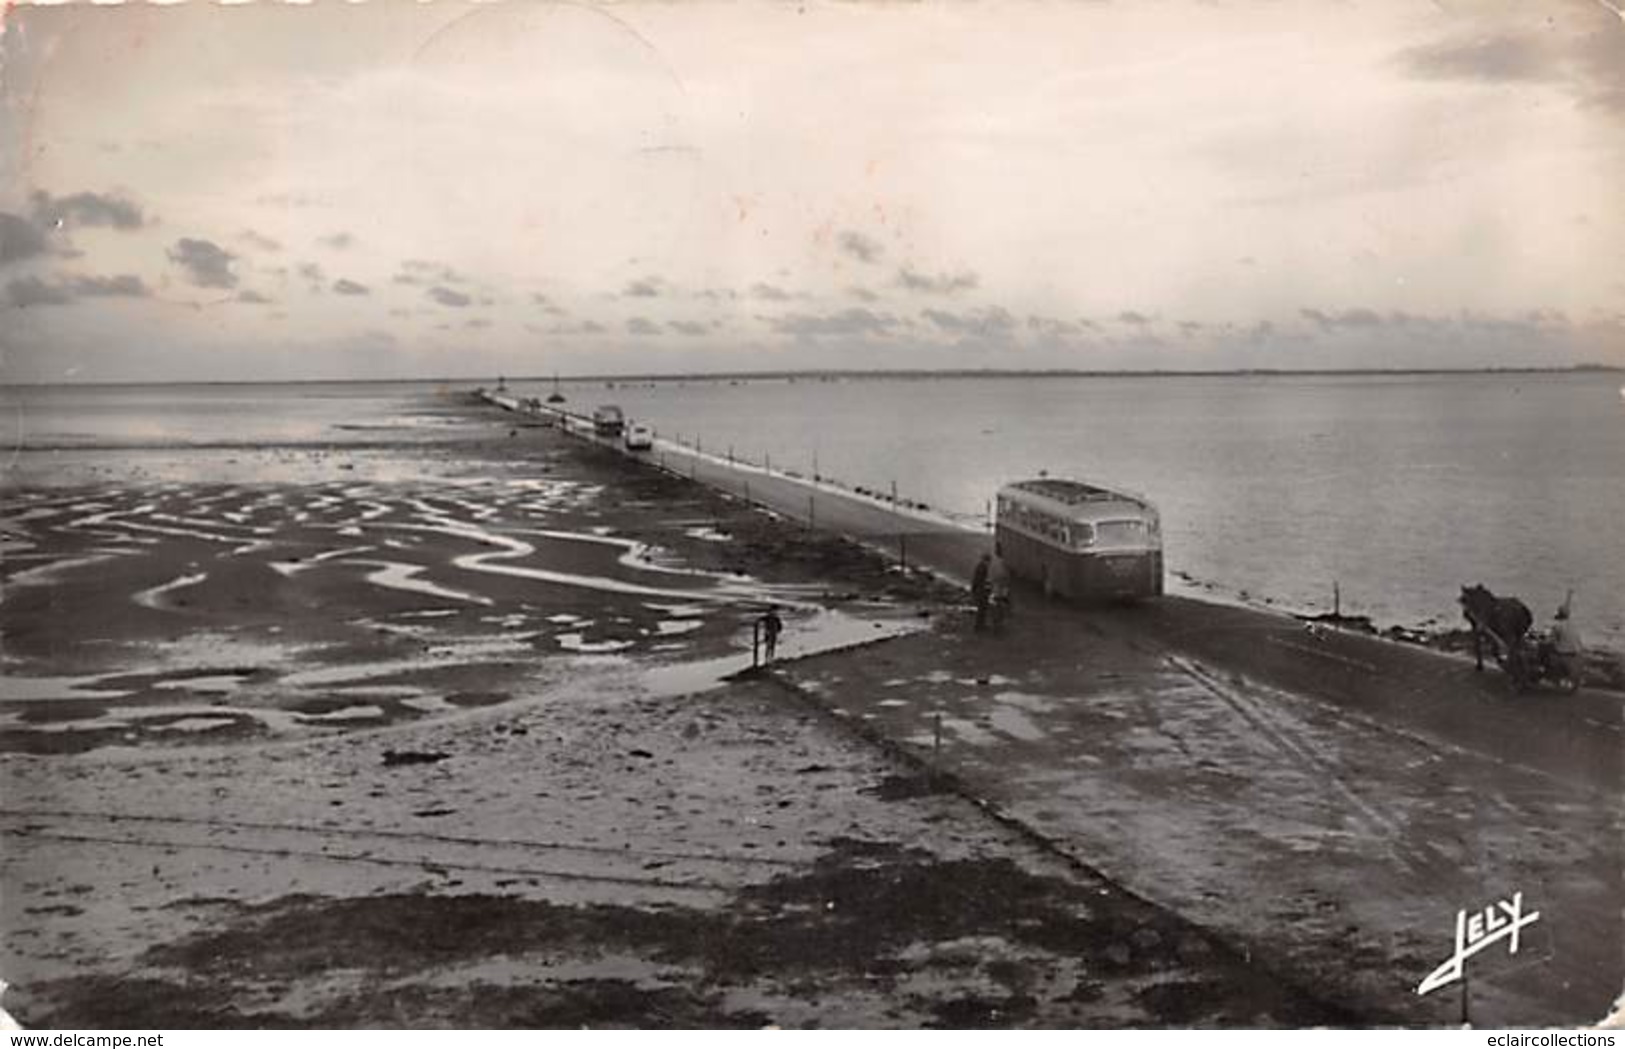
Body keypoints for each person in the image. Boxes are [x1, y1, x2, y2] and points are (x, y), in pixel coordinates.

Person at [988, 546, 1012, 633]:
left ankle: (996, 623)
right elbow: (1006, 575)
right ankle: (999, 623)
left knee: (996, 603)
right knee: (1002, 603)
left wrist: (991, 582)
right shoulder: (1003, 562)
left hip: (997, 586)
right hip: (1002, 586)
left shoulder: (994, 562)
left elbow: (992, 575)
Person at [971, 552, 992, 631]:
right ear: (986, 561)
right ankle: (979, 626)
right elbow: (979, 580)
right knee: (982, 609)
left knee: (981, 609)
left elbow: (976, 580)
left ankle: (979, 625)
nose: (989, 564)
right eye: (988, 561)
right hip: (981, 591)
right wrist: (987, 586)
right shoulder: (982, 568)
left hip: (979, 590)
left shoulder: (980, 566)